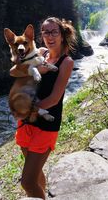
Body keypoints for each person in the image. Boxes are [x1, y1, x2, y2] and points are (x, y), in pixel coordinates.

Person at [15, 17, 76, 199]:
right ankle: (43, 196)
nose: (49, 36)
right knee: (35, 172)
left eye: (54, 32)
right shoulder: (40, 53)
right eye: (45, 31)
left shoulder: (66, 62)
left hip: (46, 125)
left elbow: (54, 99)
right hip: (27, 121)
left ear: (62, 35)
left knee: (27, 182)